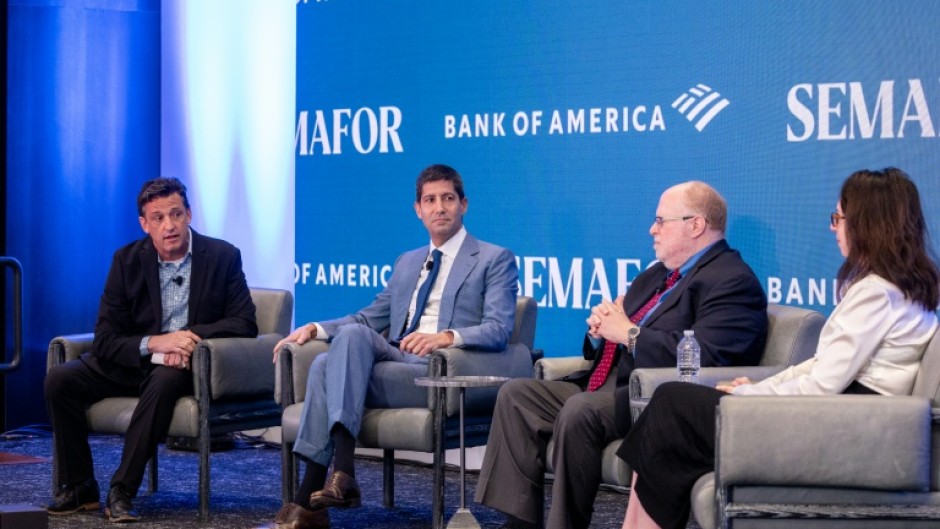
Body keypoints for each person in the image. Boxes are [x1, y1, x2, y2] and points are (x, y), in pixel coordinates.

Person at [619, 168, 940, 529]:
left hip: (844, 429)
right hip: (848, 418)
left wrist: (752, 398)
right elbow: (821, 366)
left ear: (868, 223)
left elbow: (823, 385)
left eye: (838, 218)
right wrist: (756, 389)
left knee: (672, 403)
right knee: (670, 414)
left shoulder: (876, 293)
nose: (833, 228)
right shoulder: (901, 290)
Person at [475, 181, 768, 529]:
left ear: (696, 225)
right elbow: (619, 323)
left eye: (661, 221)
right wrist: (600, 328)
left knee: (580, 409)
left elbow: (706, 356)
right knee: (517, 395)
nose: (652, 229)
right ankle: (520, 523)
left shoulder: (732, 280)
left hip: (653, 399)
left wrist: (628, 334)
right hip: (608, 383)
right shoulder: (658, 274)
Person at [254, 164, 518, 529]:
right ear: (418, 210)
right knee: (326, 358)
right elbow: (367, 319)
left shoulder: (493, 258)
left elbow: (499, 328)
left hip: (437, 371)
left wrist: (447, 337)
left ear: (464, 205)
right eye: (430, 200)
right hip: (396, 361)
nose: (439, 207)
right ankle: (331, 484)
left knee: (327, 366)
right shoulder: (408, 262)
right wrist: (314, 328)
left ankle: (316, 491)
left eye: (448, 199)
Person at [44, 177, 258, 523]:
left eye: (176, 214)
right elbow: (105, 337)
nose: (169, 226)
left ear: (189, 214)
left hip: (182, 368)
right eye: (158, 218)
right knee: (60, 380)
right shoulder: (126, 261)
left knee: (163, 382)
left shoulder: (222, 257)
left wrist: (187, 337)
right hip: (135, 361)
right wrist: (155, 343)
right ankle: (80, 485)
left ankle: (122, 490)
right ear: (145, 224)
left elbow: (245, 322)